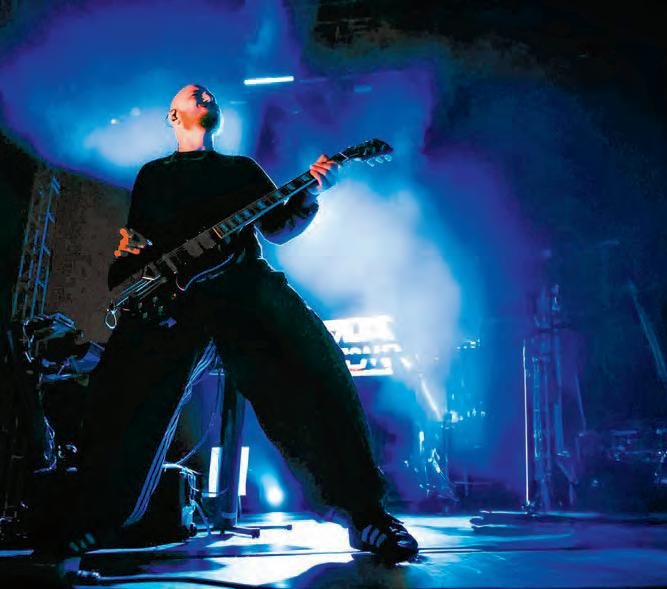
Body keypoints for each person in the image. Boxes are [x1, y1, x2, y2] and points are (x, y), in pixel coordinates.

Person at [50, 84, 418, 563]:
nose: (205, 94)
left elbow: (278, 228)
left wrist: (310, 192)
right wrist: (130, 261)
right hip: (175, 304)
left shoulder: (241, 170)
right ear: (173, 115)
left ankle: (366, 514)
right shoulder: (154, 175)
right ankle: (92, 521)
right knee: (122, 392)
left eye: (208, 94)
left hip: (243, 289)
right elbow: (137, 244)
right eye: (194, 93)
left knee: (314, 366)